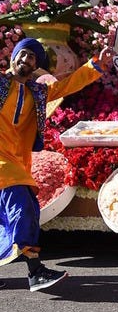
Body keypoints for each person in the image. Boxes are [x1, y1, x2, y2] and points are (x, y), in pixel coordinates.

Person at [1, 38, 111, 292]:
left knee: (11, 216)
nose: (26, 61)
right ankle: (35, 271)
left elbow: (69, 85)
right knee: (23, 209)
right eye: (24, 54)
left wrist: (96, 65)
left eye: (32, 59)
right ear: (14, 56)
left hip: (18, 163)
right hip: (3, 165)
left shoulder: (37, 92)